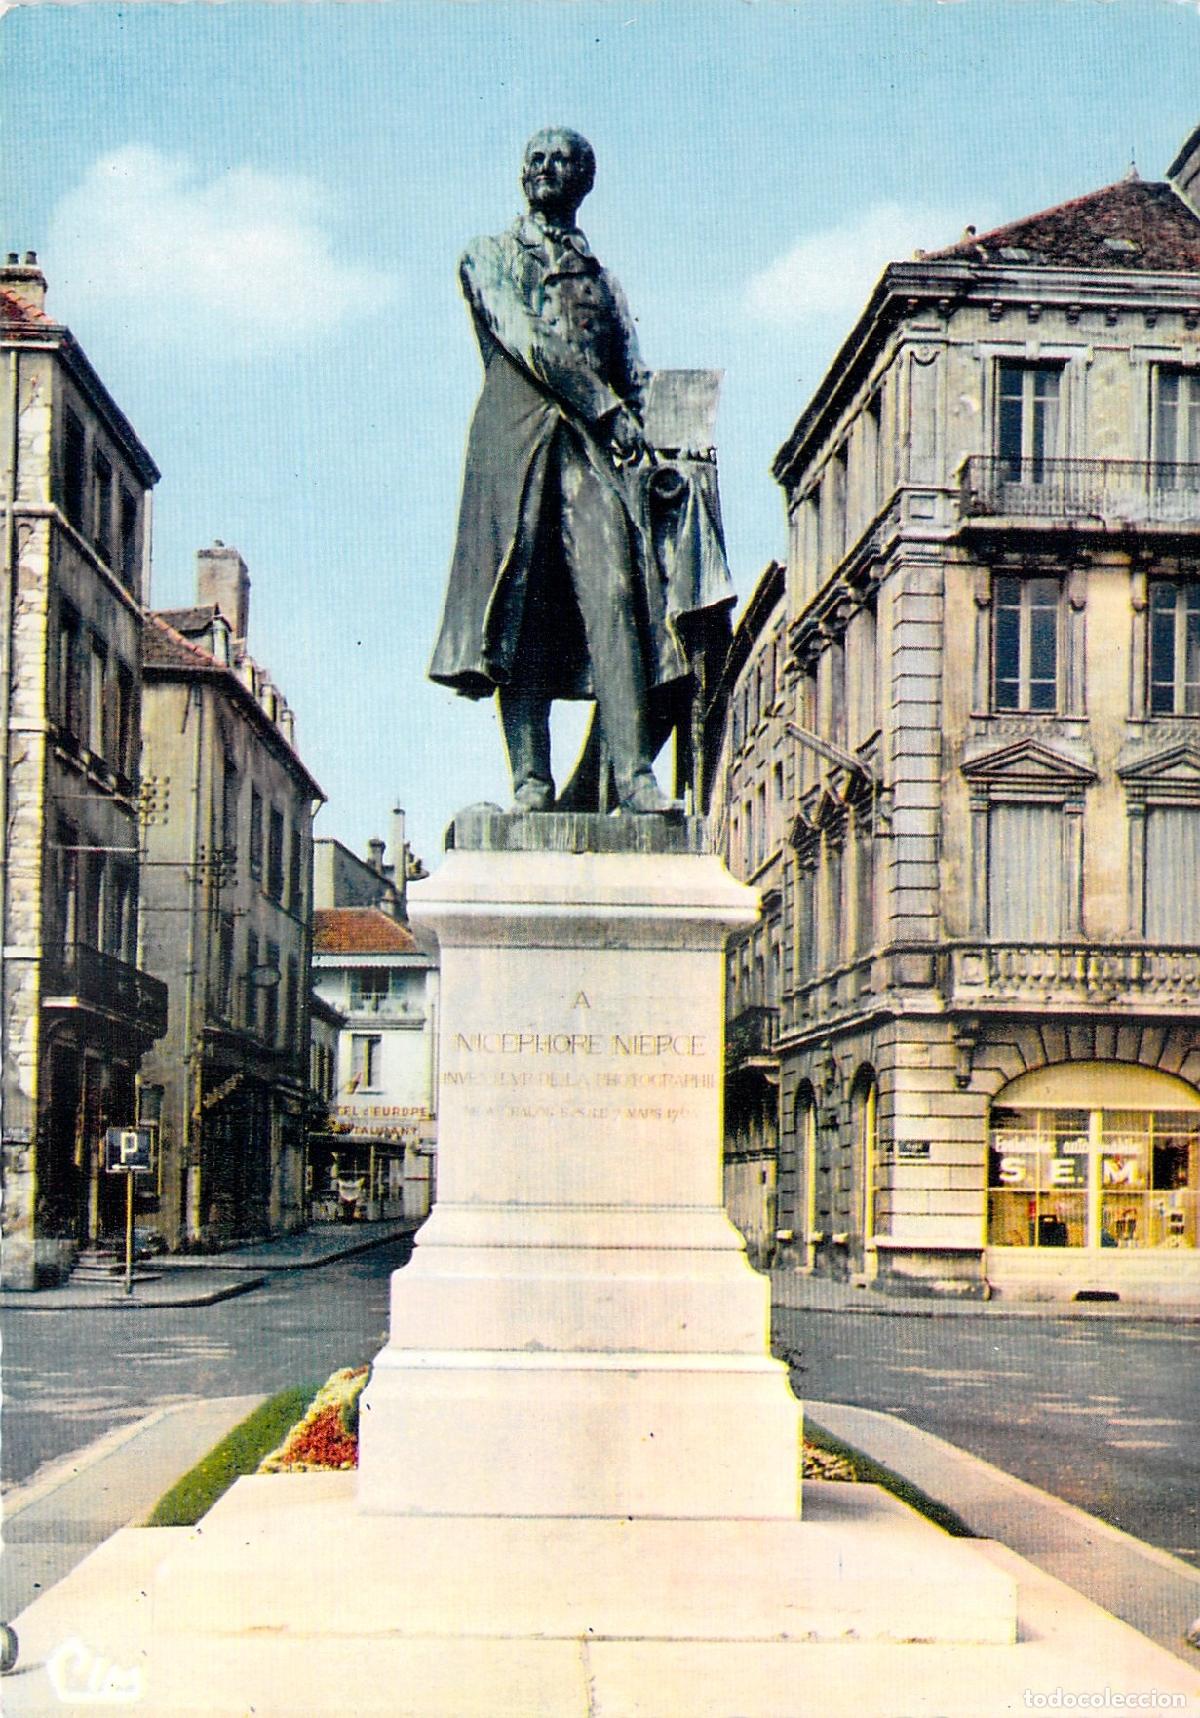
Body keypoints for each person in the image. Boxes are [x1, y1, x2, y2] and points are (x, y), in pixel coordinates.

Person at [429, 127, 678, 815]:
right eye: (533, 159)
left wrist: (656, 440)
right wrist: (605, 407)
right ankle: (531, 780)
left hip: (594, 451)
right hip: (518, 446)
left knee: (619, 594)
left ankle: (632, 776)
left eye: (559, 159)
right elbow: (525, 336)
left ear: (584, 179)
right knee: (522, 605)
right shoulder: (488, 254)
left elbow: (637, 376)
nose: (543, 168)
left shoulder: (606, 284)